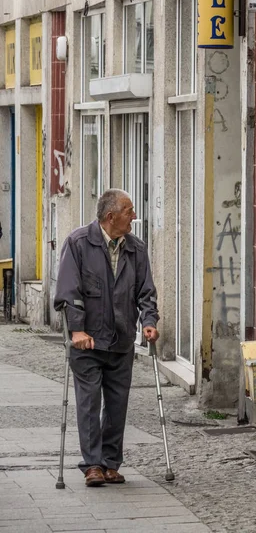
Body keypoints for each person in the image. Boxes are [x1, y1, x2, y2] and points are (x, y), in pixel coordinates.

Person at [54, 189, 159, 487]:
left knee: (117, 403)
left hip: (121, 339)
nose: (134, 217)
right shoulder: (78, 243)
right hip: (86, 341)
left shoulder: (136, 249)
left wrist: (149, 321)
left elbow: (146, 293)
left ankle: (110, 463)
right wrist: (77, 330)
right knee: (88, 402)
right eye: (130, 211)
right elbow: (67, 292)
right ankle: (92, 465)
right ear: (111, 216)